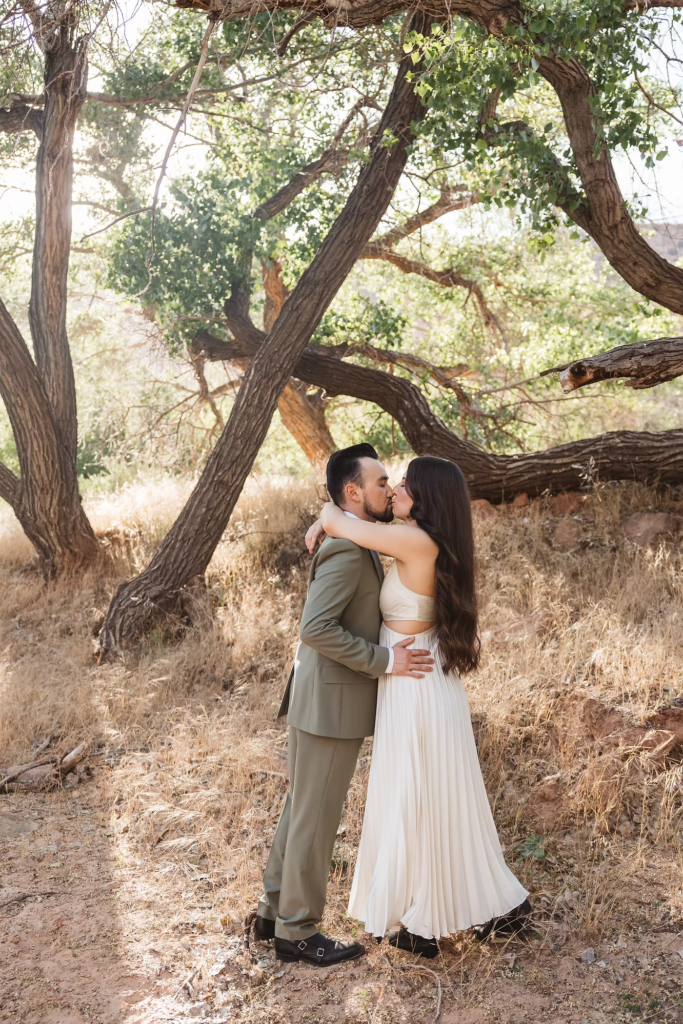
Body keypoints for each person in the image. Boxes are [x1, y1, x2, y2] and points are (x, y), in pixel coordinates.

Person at [306, 455, 530, 958]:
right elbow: (350, 526)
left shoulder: (417, 541)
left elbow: (344, 521)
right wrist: (328, 522)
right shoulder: (419, 539)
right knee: (428, 795)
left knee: (416, 793)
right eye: (394, 482)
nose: (395, 490)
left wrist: (323, 518)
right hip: (416, 678)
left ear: (428, 497)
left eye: (405, 483)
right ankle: (449, 911)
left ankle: (423, 919)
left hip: (415, 683)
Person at [248, 444, 435, 967]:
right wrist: (386, 661)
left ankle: (271, 913)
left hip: (322, 698)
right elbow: (316, 628)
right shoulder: (350, 550)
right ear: (353, 492)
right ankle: (298, 931)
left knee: (301, 809)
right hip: (330, 704)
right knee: (316, 818)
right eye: (381, 483)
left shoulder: (354, 537)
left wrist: (325, 518)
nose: (390, 490)